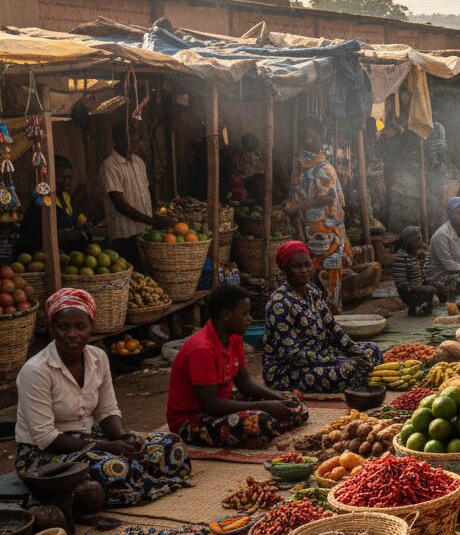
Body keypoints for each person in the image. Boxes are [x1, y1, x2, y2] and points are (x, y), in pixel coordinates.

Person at [16, 289, 191, 506]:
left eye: (80, 327)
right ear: (52, 328)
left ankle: (143, 485)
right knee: (114, 467)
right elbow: (46, 438)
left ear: (91, 327)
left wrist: (123, 438)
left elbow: (107, 410)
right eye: (63, 327)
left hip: (90, 436)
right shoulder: (36, 371)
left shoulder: (98, 358)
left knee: (169, 444)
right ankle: (147, 484)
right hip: (42, 453)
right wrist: (106, 447)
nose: (72, 334)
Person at [167, 283, 309, 448]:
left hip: (223, 404)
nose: (249, 319)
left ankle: (255, 434)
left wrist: (276, 397)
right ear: (226, 315)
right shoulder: (202, 349)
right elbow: (211, 404)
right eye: (245, 314)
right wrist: (264, 406)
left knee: (293, 403)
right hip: (192, 419)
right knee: (261, 420)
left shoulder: (233, 337)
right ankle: (255, 433)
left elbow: (244, 381)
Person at [263, 241, 384, 392]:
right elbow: (292, 354)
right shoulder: (280, 304)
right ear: (285, 269)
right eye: (297, 267)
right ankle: (359, 377)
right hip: (288, 370)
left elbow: (333, 329)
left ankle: (360, 376)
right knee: (347, 370)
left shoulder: (313, 293)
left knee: (372, 351)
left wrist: (355, 352)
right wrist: (337, 360)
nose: (304, 270)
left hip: (323, 355)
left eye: (307, 265)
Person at [286, 115, 348, 309]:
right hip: (308, 234)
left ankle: (331, 320)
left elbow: (328, 197)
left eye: (313, 138)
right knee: (311, 278)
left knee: (328, 280)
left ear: (320, 139)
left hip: (327, 235)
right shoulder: (300, 168)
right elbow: (296, 193)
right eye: (306, 138)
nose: (309, 142)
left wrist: (299, 207)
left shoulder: (324, 169)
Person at [100, 120, 172, 267]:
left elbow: (145, 191)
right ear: (119, 140)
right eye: (130, 138)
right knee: (132, 273)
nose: (134, 142)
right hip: (125, 235)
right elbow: (121, 206)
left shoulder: (138, 161)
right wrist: (152, 221)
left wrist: (154, 216)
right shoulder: (110, 166)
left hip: (144, 231)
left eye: (136, 138)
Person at [17, 155, 89, 256]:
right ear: (51, 175)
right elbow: (36, 237)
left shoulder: (66, 197)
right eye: (63, 177)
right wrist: (68, 235)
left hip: (67, 256)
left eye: (70, 177)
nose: (67, 181)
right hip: (41, 256)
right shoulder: (40, 200)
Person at [392, 226, 447, 316]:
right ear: (410, 242)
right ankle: (419, 308)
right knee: (430, 290)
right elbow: (402, 284)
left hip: (417, 288)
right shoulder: (400, 257)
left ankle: (429, 308)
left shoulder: (414, 255)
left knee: (441, 287)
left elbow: (420, 276)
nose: (421, 243)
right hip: (408, 292)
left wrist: (429, 282)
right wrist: (422, 288)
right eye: (418, 240)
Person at [230, 133, 266, 201]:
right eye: (247, 142)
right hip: (244, 181)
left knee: (258, 181)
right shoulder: (239, 155)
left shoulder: (259, 154)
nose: (249, 144)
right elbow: (235, 168)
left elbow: (263, 168)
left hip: (257, 179)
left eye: (251, 141)